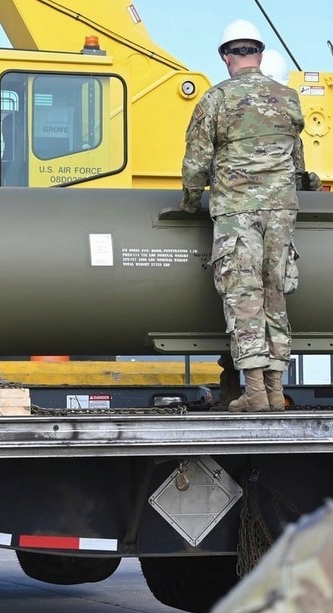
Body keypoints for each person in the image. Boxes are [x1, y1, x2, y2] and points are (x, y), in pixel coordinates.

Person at [178, 18, 322, 413]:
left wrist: (189, 203)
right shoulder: (288, 98)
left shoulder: (216, 99)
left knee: (244, 296)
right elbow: (296, 162)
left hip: (237, 212)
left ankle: (255, 392)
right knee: (275, 294)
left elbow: (196, 162)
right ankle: (276, 391)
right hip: (281, 211)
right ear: (258, 53)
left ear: (226, 57)